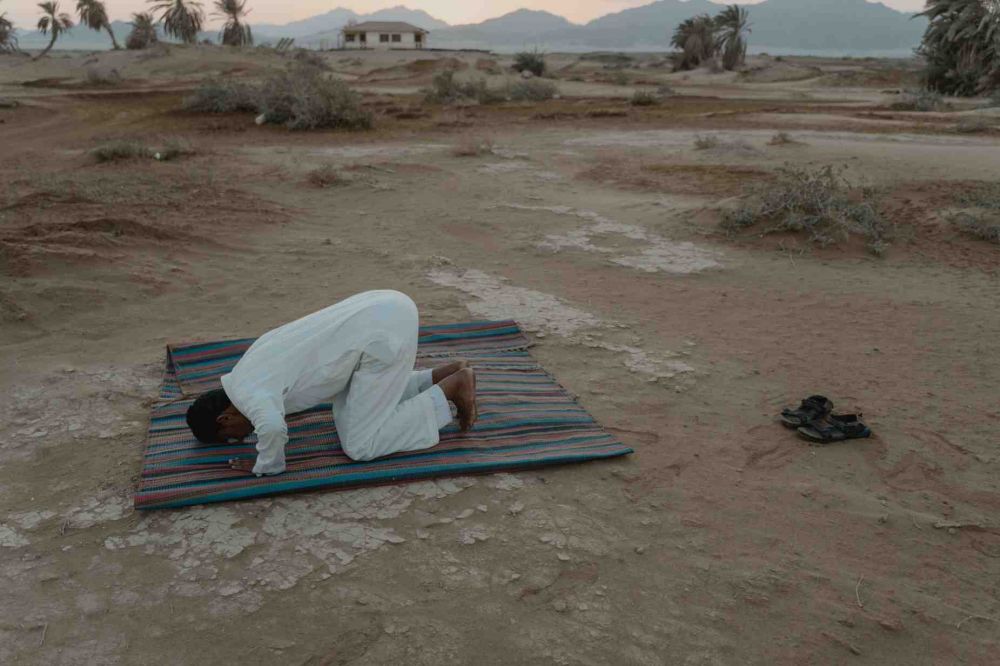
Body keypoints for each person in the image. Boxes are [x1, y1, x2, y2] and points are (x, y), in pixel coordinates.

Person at [184, 290, 477, 476]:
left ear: (224, 417)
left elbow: (272, 428)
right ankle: (437, 377)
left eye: (233, 437)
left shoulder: (252, 397)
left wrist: (265, 465)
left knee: (361, 444)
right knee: (346, 409)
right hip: (385, 304)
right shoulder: (244, 371)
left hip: (383, 336)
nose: (244, 438)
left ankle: (450, 389)